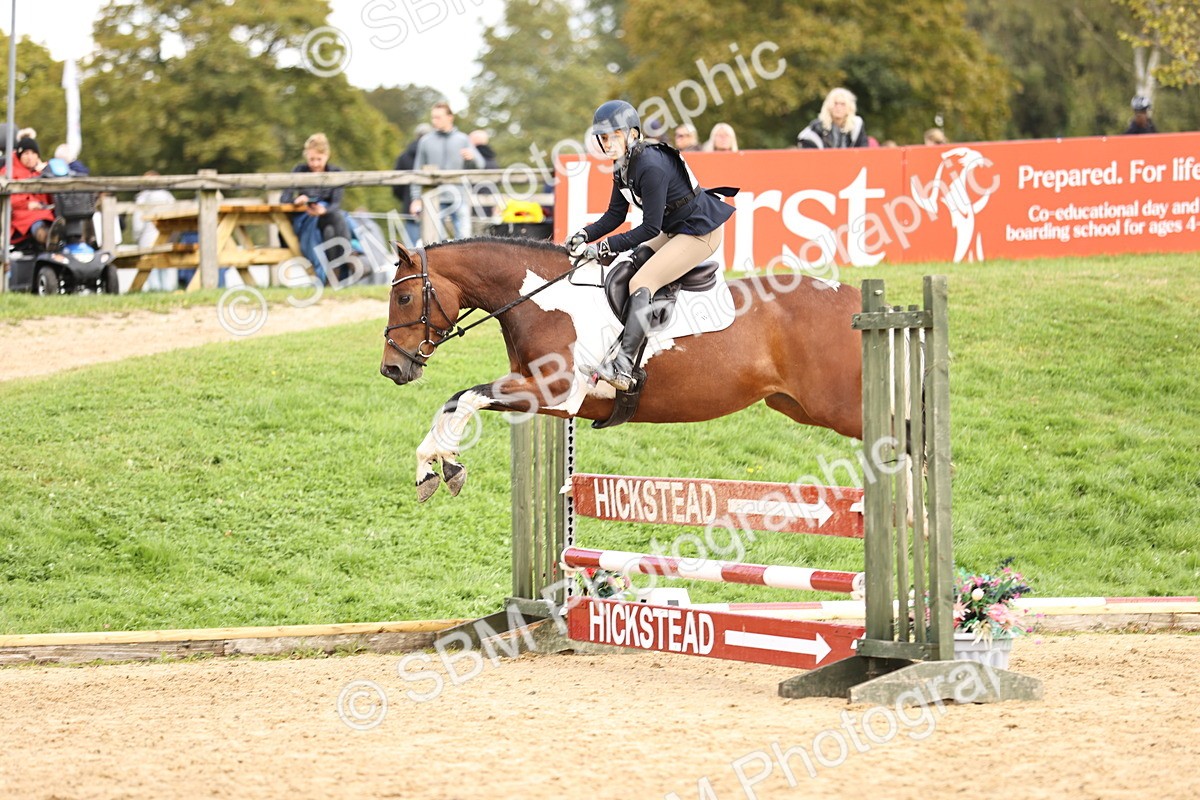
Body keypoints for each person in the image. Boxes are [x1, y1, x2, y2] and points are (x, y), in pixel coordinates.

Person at [565, 100, 736, 391]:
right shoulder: (622, 165)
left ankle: (623, 367)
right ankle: (616, 348)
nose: (608, 143)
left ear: (632, 134)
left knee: (642, 280)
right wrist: (585, 234)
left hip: (699, 231)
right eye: (603, 137)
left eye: (614, 135)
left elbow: (649, 228)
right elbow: (615, 215)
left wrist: (605, 247)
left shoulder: (650, 165)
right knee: (626, 266)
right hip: (674, 228)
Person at [280, 132, 356, 284]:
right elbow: (284, 199)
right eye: (311, 159)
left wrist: (323, 210)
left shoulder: (336, 172)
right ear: (306, 156)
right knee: (337, 218)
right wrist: (298, 201)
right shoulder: (299, 170)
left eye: (318, 159)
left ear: (326, 156)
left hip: (327, 216)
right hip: (306, 217)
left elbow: (336, 203)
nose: (314, 164)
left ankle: (331, 276)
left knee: (331, 227)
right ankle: (346, 258)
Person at [408, 102, 484, 241]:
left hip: (459, 196)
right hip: (434, 197)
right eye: (433, 117)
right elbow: (417, 171)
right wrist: (416, 199)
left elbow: (481, 164)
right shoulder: (426, 141)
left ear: (450, 117)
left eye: (438, 117)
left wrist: (472, 157)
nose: (434, 121)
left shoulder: (463, 139)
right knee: (436, 242)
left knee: (464, 241)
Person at [131, 170, 178, 291]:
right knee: (165, 268)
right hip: (166, 237)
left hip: (147, 237)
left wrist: (137, 237)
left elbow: (138, 222)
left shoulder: (142, 198)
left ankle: (154, 290)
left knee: (149, 269)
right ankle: (166, 291)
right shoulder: (169, 197)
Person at [392, 122, 433, 246]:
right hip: (433, 204)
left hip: (410, 205)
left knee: (412, 247)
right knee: (435, 243)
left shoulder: (403, 156)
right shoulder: (433, 154)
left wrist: (406, 198)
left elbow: (396, 185)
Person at [9, 138, 54, 248]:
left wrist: (48, 171)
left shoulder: (41, 172)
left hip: (44, 212)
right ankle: (49, 239)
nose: (30, 157)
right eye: (26, 153)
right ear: (20, 155)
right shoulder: (9, 171)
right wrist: (28, 204)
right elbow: (9, 198)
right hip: (19, 215)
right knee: (36, 220)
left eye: (33, 153)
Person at [797, 88, 869, 149]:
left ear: (849, 108)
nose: (838, 107)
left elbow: (863, 152)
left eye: (843, 104)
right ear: (829, 106)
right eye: (835, 103)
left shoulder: (856, 127)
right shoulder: (816, 129)